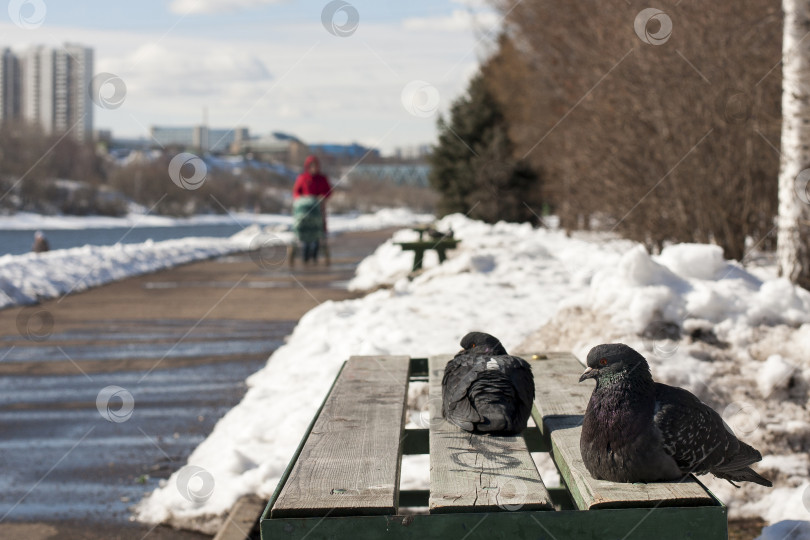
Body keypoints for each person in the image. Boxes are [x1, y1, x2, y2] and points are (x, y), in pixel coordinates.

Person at [292, 155, 332, 264]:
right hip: (304, 209)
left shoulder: (322, 179)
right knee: (304, 231)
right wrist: (300, 199)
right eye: (311, 167)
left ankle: (315, 254)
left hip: (318, 209)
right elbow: (296, 191)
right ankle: (305, 253)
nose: (314, 169)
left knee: (317, 231)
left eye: (316, 166)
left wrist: (322, 197)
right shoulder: (302, 178)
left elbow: (328, 191)